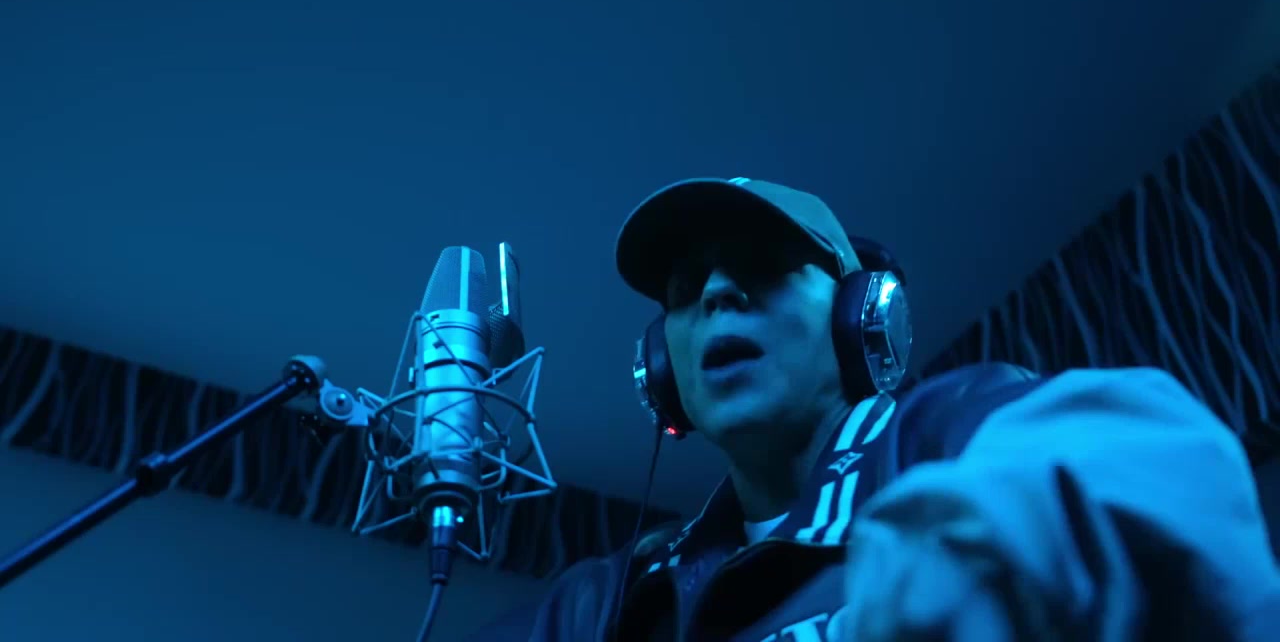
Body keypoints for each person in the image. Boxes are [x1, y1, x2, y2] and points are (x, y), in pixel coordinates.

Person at [470, 177, 1280, 642]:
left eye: (759, 266)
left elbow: (1147, 466)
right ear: (663, 369)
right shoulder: (617, 595)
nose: (717, 294)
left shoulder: (942, 431)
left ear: (862, 321)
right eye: (686, 289)